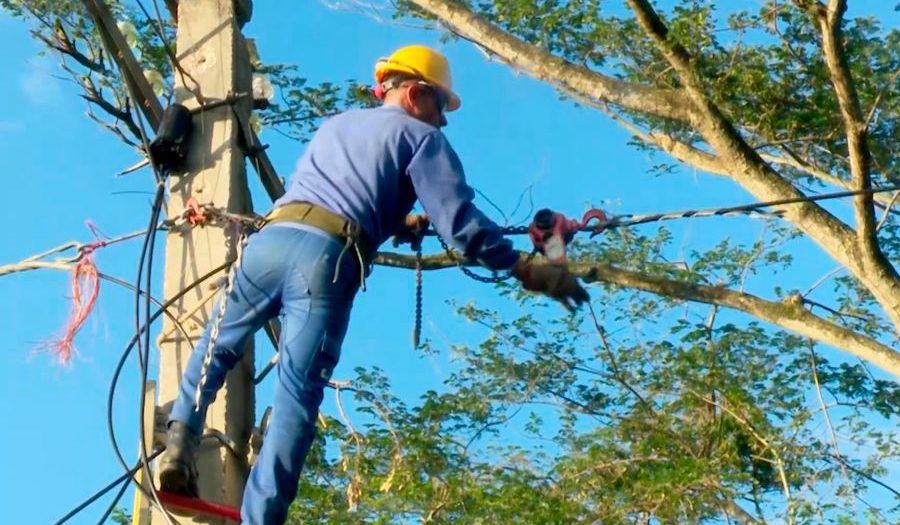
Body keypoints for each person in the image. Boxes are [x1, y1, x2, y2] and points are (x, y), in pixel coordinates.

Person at [159, 44, 589, 524]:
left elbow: (345, 189)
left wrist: (397, 221)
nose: (444, 120)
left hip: (269, 240)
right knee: (296, 396)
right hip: (324, 262)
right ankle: (262, 518)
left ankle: (178, 444)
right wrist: (524, 268)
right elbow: (462, 227)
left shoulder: (337, 125)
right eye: (441, 106)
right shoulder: (424, 140)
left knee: (219, 342)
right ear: (416, 94)